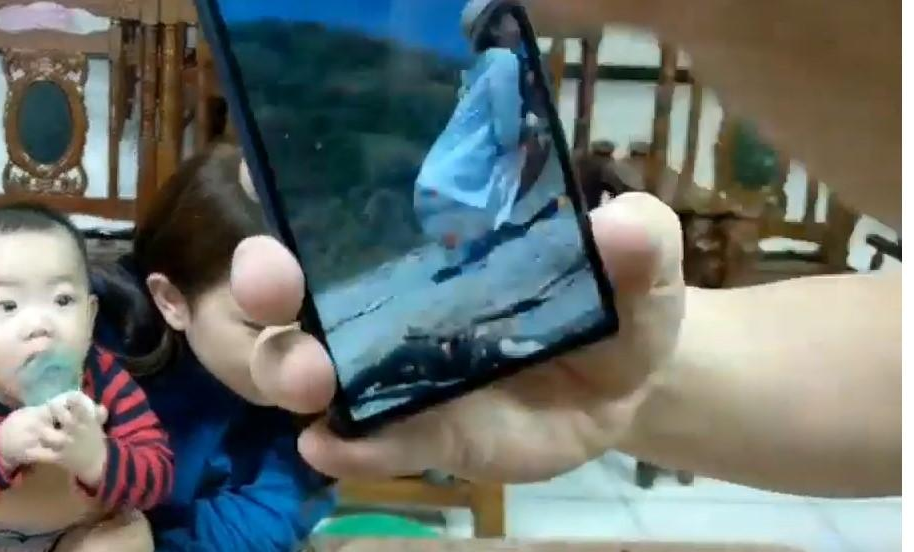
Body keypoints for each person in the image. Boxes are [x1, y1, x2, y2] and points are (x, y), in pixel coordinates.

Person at [228, 0, 900, 499]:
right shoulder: (496, 69)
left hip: (447, 184)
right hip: (462, 190)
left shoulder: (480, 69)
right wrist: (641, 371)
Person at [0, 143, 337, 552]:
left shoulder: (309, 406)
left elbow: (259, 525)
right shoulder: (68, 340)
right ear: (171, 300)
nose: (303, 359)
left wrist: (97, 477)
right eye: (259, 326)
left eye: (317, 327)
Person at [0, 204, 174, 551]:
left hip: (80, 532)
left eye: (62, 300)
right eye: (7, 306)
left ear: (90, 317)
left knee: (129, 535)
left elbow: (158, 478)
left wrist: (97, 458)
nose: (41, 325)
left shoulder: (105, 380)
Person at [415, 0, 529, 283]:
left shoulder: (478, 68)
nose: (522, 23)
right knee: (536, 140)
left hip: (431, 191)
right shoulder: (505, 61)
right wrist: (531, 124)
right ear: (495, 28)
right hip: (458, 198)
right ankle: (502, 220)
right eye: (513, 17)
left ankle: (467, 241)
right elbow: (508, 136)